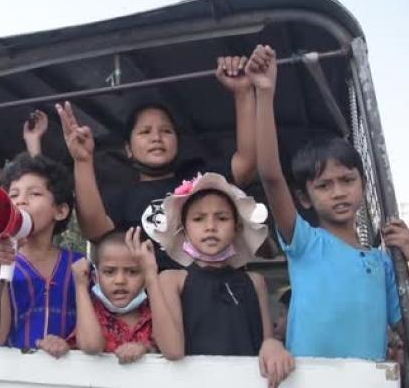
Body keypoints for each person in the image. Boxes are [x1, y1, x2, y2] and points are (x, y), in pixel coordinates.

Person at [250, 44, 404, 360]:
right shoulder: (305, 242)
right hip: (310, 379)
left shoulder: (383, 263)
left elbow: (404, 330)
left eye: (347, 180)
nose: (338, 192)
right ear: (304, 197)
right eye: (324, 185)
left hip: (367, 381)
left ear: (363, 186)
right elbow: (271, 176)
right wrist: (264, 93)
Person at [58, 55, 257, 271]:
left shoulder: (201, 180)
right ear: (128, 148)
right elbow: (94, 231)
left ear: (177, 142)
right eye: (145, 132)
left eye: (166, 131)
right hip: (154, 291)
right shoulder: (123, 198)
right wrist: (83, 160)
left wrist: (243, 93)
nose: (156, 138)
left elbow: (246, 164)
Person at [147, 173, 294, 387]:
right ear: (184, 230)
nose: (210, 226)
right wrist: (150, 278)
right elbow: (173, 350)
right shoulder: (171, 280)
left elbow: (266, 343)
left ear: (237, 228)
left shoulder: (254, 282)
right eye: (198, 219)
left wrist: (273, 345)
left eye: (222, 218)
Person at [0, 153, 84, 358]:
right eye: (13, 195)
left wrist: (71, 342)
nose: (21, 201)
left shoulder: (78, 265)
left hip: (68, 369)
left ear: (60, 211)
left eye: (35, 194)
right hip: (12, 371)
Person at [72, 228, 175, 364]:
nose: (120, 280)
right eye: (109, 272)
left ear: (145, 277)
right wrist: (80, 286)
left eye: (132, 272)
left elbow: (172, 349)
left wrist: (144, 348)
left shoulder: (156, 313)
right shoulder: (90, 314)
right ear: (96, 278)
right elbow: (91, 346)